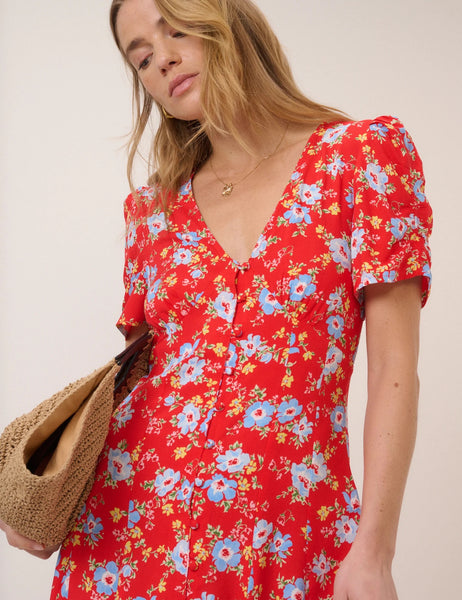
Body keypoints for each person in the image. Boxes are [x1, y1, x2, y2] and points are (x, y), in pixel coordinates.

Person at [0, 0, 432, 598]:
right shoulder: (151, 213)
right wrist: (51, 492)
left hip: (289, 534)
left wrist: (375, 552)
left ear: (229, 21)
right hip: (129, 539)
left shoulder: (360, 158)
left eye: (177, 30)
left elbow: (394, 371)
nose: (163, 61)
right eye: (142, 59)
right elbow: (134, 385)